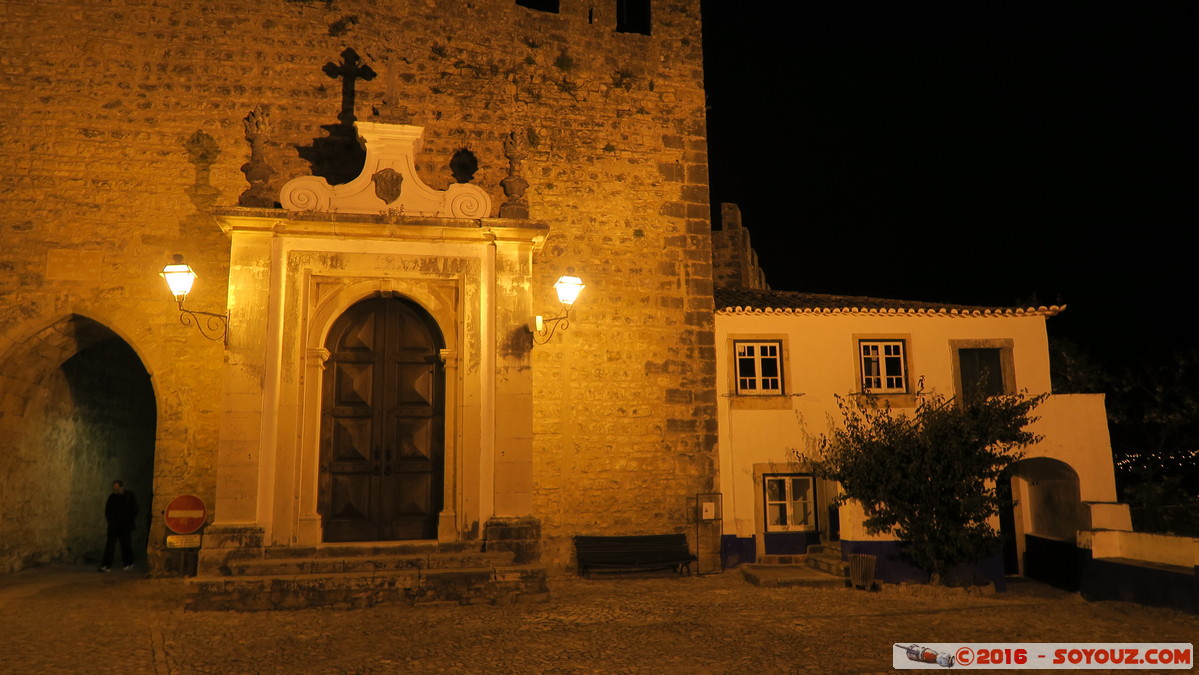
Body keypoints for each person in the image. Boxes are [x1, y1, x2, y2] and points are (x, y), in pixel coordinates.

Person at [100, 480, 138, 572]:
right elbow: (108, 511)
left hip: (125, 525)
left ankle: (129, 563)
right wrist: (110, 521)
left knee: (126, 545)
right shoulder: (112, 498)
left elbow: (135, 509)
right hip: (113, 526)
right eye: (114, 490)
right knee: (110, 545)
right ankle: (106, 565)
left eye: (117, 489)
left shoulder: (129, 496)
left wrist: (129, 520)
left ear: (122, 487)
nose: (115, 492)